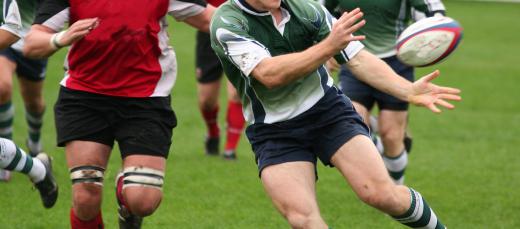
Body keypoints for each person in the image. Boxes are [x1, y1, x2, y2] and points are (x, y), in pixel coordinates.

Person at [210, 0, 460, 228]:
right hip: (274, 130)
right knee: (303, 219)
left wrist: (407, 90)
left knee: (381, 194)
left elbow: (357, 59)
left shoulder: (306, 9)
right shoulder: (228, 22)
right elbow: (269, 74)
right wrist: (328, 46)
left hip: (328, 113)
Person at [24, 0, 214, 228]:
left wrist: (259, 16)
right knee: (85, 198)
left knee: (143, 202)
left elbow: (211, 19)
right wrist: (60, 38)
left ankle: (126, 196)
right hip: (85, 97)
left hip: (146, 100)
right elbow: (32, 43)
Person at [324, 0, 447, 184]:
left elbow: (433, 9)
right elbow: (319, 14)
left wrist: (437, 28)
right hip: (355, 57)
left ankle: (397, 189)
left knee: (391, 136)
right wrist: (328, 47)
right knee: (352, 122)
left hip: (397, 62)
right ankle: (374, 138)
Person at [0, 0, 48, 181]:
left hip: (34, 41)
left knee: (34, 103)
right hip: (5, 36)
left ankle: (34, 142)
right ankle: (6, 157)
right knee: (2, 87)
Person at [195, 0, 245, 160]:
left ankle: (230, 150)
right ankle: (213, 132)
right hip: (208, 28)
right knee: (206, 100)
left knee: (237, 92)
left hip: (241, 27)